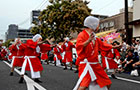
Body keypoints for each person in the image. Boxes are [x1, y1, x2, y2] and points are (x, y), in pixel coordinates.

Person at [73, 16, 121, 90]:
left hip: (95, 65)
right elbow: (79, 46)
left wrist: (114, 47)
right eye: (97, 24)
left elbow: (102, 45)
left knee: (107, 83)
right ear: (92, 25)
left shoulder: (94, 37)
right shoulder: (82, 35)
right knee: (83, 85)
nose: (98, 26)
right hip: (87, 64)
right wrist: (88, 41)